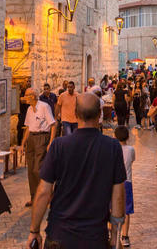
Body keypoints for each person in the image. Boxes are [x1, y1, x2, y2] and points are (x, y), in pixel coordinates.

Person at [28, 93, 126, 249]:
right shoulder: (112, 147)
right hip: (94, 236)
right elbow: (118, 196)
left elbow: (43, 192)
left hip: (60, 234)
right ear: (99, 114)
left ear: (75, 114)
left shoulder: (59, 145)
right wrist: (116, 235)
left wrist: (34, 230)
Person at [21, 87, 57, 207]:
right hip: (31, 138)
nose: (24, 97)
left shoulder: (44, 107)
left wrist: (51, 142)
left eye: (26, 95)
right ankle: (34, 197)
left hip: (42, 138)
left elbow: (53, 125)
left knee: (38, 169)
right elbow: (27, 127)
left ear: (33, 96)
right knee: (31, 170)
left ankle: (48, 194)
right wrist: (23, 144)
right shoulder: (29, 109)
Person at [114, 126, 135, 248]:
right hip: (127, 182)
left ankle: (113, 234)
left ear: (114, 137)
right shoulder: (131, 149)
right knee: (126, 211)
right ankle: (125, 236)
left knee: (113, 209)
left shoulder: (112, 149)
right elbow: (132, 160)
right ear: (128, 137)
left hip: (113, 182)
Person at [17, 79, 32, 146]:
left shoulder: (32, 91)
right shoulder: (21, 91)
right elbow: (22, 100)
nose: (28, 83)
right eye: (27, 81)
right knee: (21, 127)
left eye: (29, 81)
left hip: (30, 111)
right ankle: (19, 143)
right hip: (22, 111)